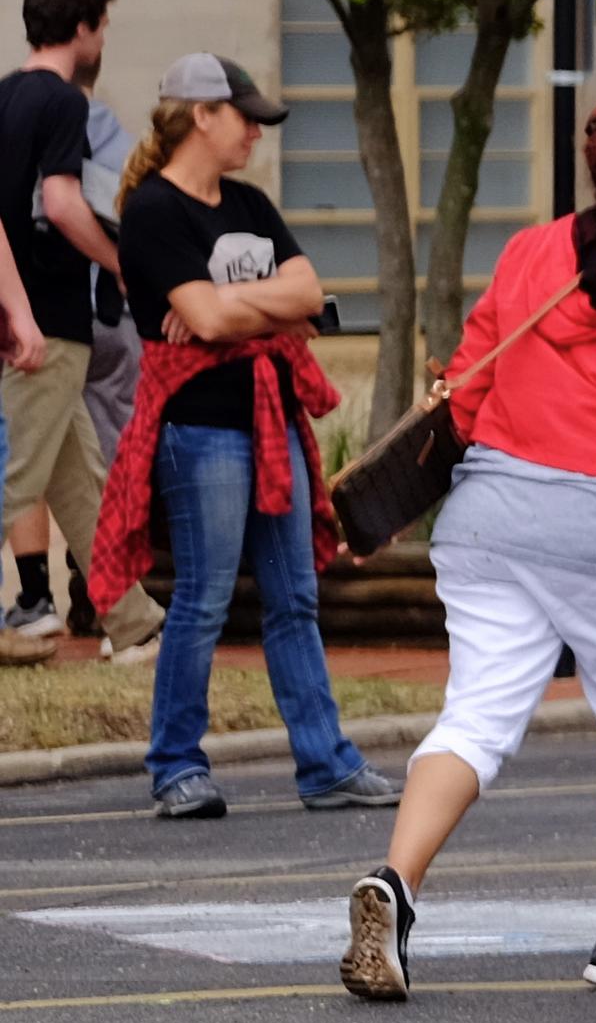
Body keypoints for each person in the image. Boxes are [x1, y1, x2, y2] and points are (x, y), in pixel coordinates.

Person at [339, 93, 596, 1002]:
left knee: (476, 717)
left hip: (489, 515)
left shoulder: (531, 254)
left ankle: (396, 885)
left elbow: (468, 389)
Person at [91, 52, 385, 817]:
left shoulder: (250, 204)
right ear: (201, 116)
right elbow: (230, 313)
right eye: (244, 117)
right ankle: (176, 765)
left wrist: (236, 307)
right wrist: (265, 305)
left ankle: (326, 764)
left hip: (269, 417)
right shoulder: (154, 212)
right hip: (200, 428)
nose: (256, 131)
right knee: (205, 597)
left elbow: (307, 295)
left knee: (295, 595)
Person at [4, 0, 125, 657]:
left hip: (18, 316)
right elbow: (61, 202)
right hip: (48, 321)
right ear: (82, 30)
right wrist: (119, 265)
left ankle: (134, 622)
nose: (104, 37)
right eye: (102, 25)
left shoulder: (2, 97)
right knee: (15, 471)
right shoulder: (66, 103)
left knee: (83, 484)